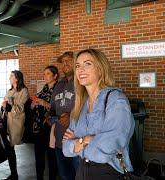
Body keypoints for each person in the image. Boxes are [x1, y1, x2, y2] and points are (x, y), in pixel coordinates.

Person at [62, 48, 135, 180]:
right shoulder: (80, 105)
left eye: (87, 64)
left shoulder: (116, 100)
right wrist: (87, 139)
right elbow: (66, 148)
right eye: (77, 65)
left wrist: (78, 142)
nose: (80, 69)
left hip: (109, 173)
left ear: (100, 69)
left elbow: (107, 149)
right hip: (82, 171)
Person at [49, 52, 78, 180]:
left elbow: (91, 107)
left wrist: (71, 116)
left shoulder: (81, 83)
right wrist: (49, 116)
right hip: (60, 140)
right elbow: (52, 109)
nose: (65, 64)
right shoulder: (59, 85)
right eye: (63, 61)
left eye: (68, 60)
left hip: (77, 139)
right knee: (65, 175)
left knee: (79, 175)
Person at [31, 65, 59, 180]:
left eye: (48, 73)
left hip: (50, 127)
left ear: (55, 75)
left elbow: (59, 108)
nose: (45, 76)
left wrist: (45, 103)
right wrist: (33, 105)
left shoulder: (58, 89)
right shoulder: (44, 89)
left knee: (51, 156)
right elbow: (35, 103)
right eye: (44, 74)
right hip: (38, 127)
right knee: (39, 156)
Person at [1, 70, 29, 180]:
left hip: (16, 123)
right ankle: (14, 173)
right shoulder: (9, 91)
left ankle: (14, 174)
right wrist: (4, 106)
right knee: (9, 149)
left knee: (11, 147)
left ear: (17, 78)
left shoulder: (24, 91)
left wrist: (10, 106)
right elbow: (4, 104)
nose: (9, 77)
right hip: (6, 122)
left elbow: (21, 107)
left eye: (12, 76)